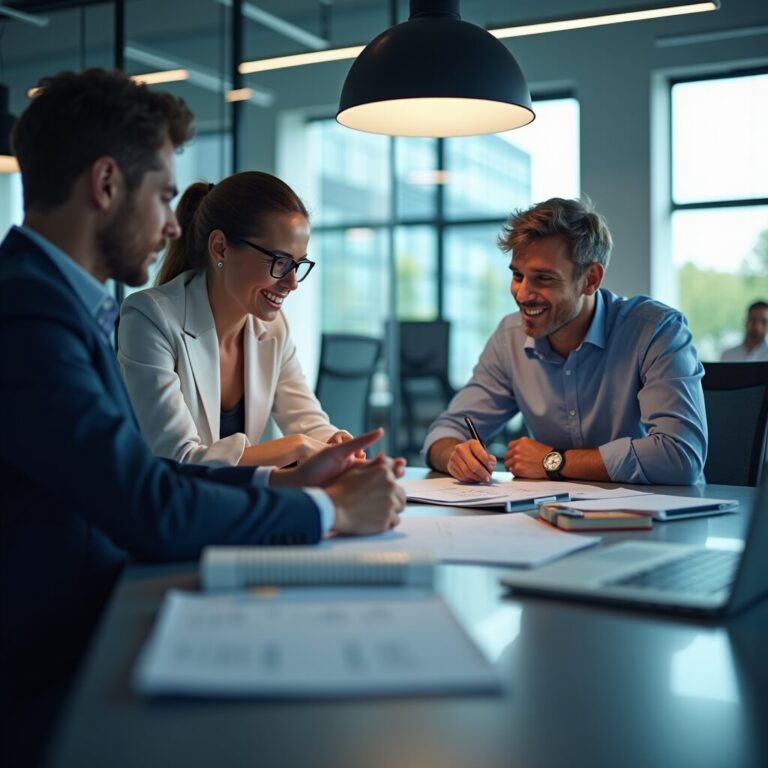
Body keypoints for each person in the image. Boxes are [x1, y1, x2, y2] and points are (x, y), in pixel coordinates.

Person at [0, 69, 405, 766]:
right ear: (105, 184)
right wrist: (326, 512)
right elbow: (147, 498)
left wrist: (294, 485)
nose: (169, 224)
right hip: (47, 669)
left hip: (87, 622)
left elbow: (138, 478)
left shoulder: (57, 304)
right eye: (162, 195)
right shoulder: (30, 314)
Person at [424, 197, 707, 486]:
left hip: (658, 520)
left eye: (543, 279)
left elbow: (680, 455)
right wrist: (455, 455)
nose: (522, 294)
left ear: (590, 279)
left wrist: (554, 461)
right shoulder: (509, 338)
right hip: (553, 519)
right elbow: (445, 432)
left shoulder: (656, 331)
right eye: (518, 276)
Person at [118, 173, 353, 468]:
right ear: (220, 248)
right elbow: (177, 458)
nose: (292, 283)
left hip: (234, 504)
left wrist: (335, 443)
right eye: (280, 262)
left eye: (297, 264)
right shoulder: (149, 318)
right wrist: (296, 447)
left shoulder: (274, 328)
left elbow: (307, 422)